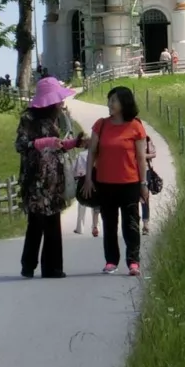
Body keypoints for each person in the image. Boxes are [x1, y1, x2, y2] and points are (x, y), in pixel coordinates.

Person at [14, 77, 80, 278]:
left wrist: (74, 143)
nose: (61, 104)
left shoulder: (55, 119)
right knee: (36, 221)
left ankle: (52, 267)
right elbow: (21, 145)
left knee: (53, 221)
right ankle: (28, 265)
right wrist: (42, 143)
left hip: (54, 178)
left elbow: (58, 144)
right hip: (35, 178)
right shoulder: (28, 120)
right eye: (58, 100)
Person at [80, 85, 148, 275]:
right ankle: (111, 261)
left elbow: (141, 158)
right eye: (109, 100)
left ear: (124, 103)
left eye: (114, 100)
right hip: (105, 183)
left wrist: (143, 184)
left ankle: (133, 261)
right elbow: (92, 152)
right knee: (109, 224)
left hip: (130, 183)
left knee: (131, 224)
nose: (109, 104)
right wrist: (88, 179)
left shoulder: (136, 126)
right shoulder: (100, 125)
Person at [72, 146, 99, 237]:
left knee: (81, 205)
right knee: (95, 206)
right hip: (95, 180)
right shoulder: (97, 154)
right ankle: (95, 226)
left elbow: (75, 169)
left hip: (83, 180)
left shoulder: (80, 155)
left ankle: (80, 228)